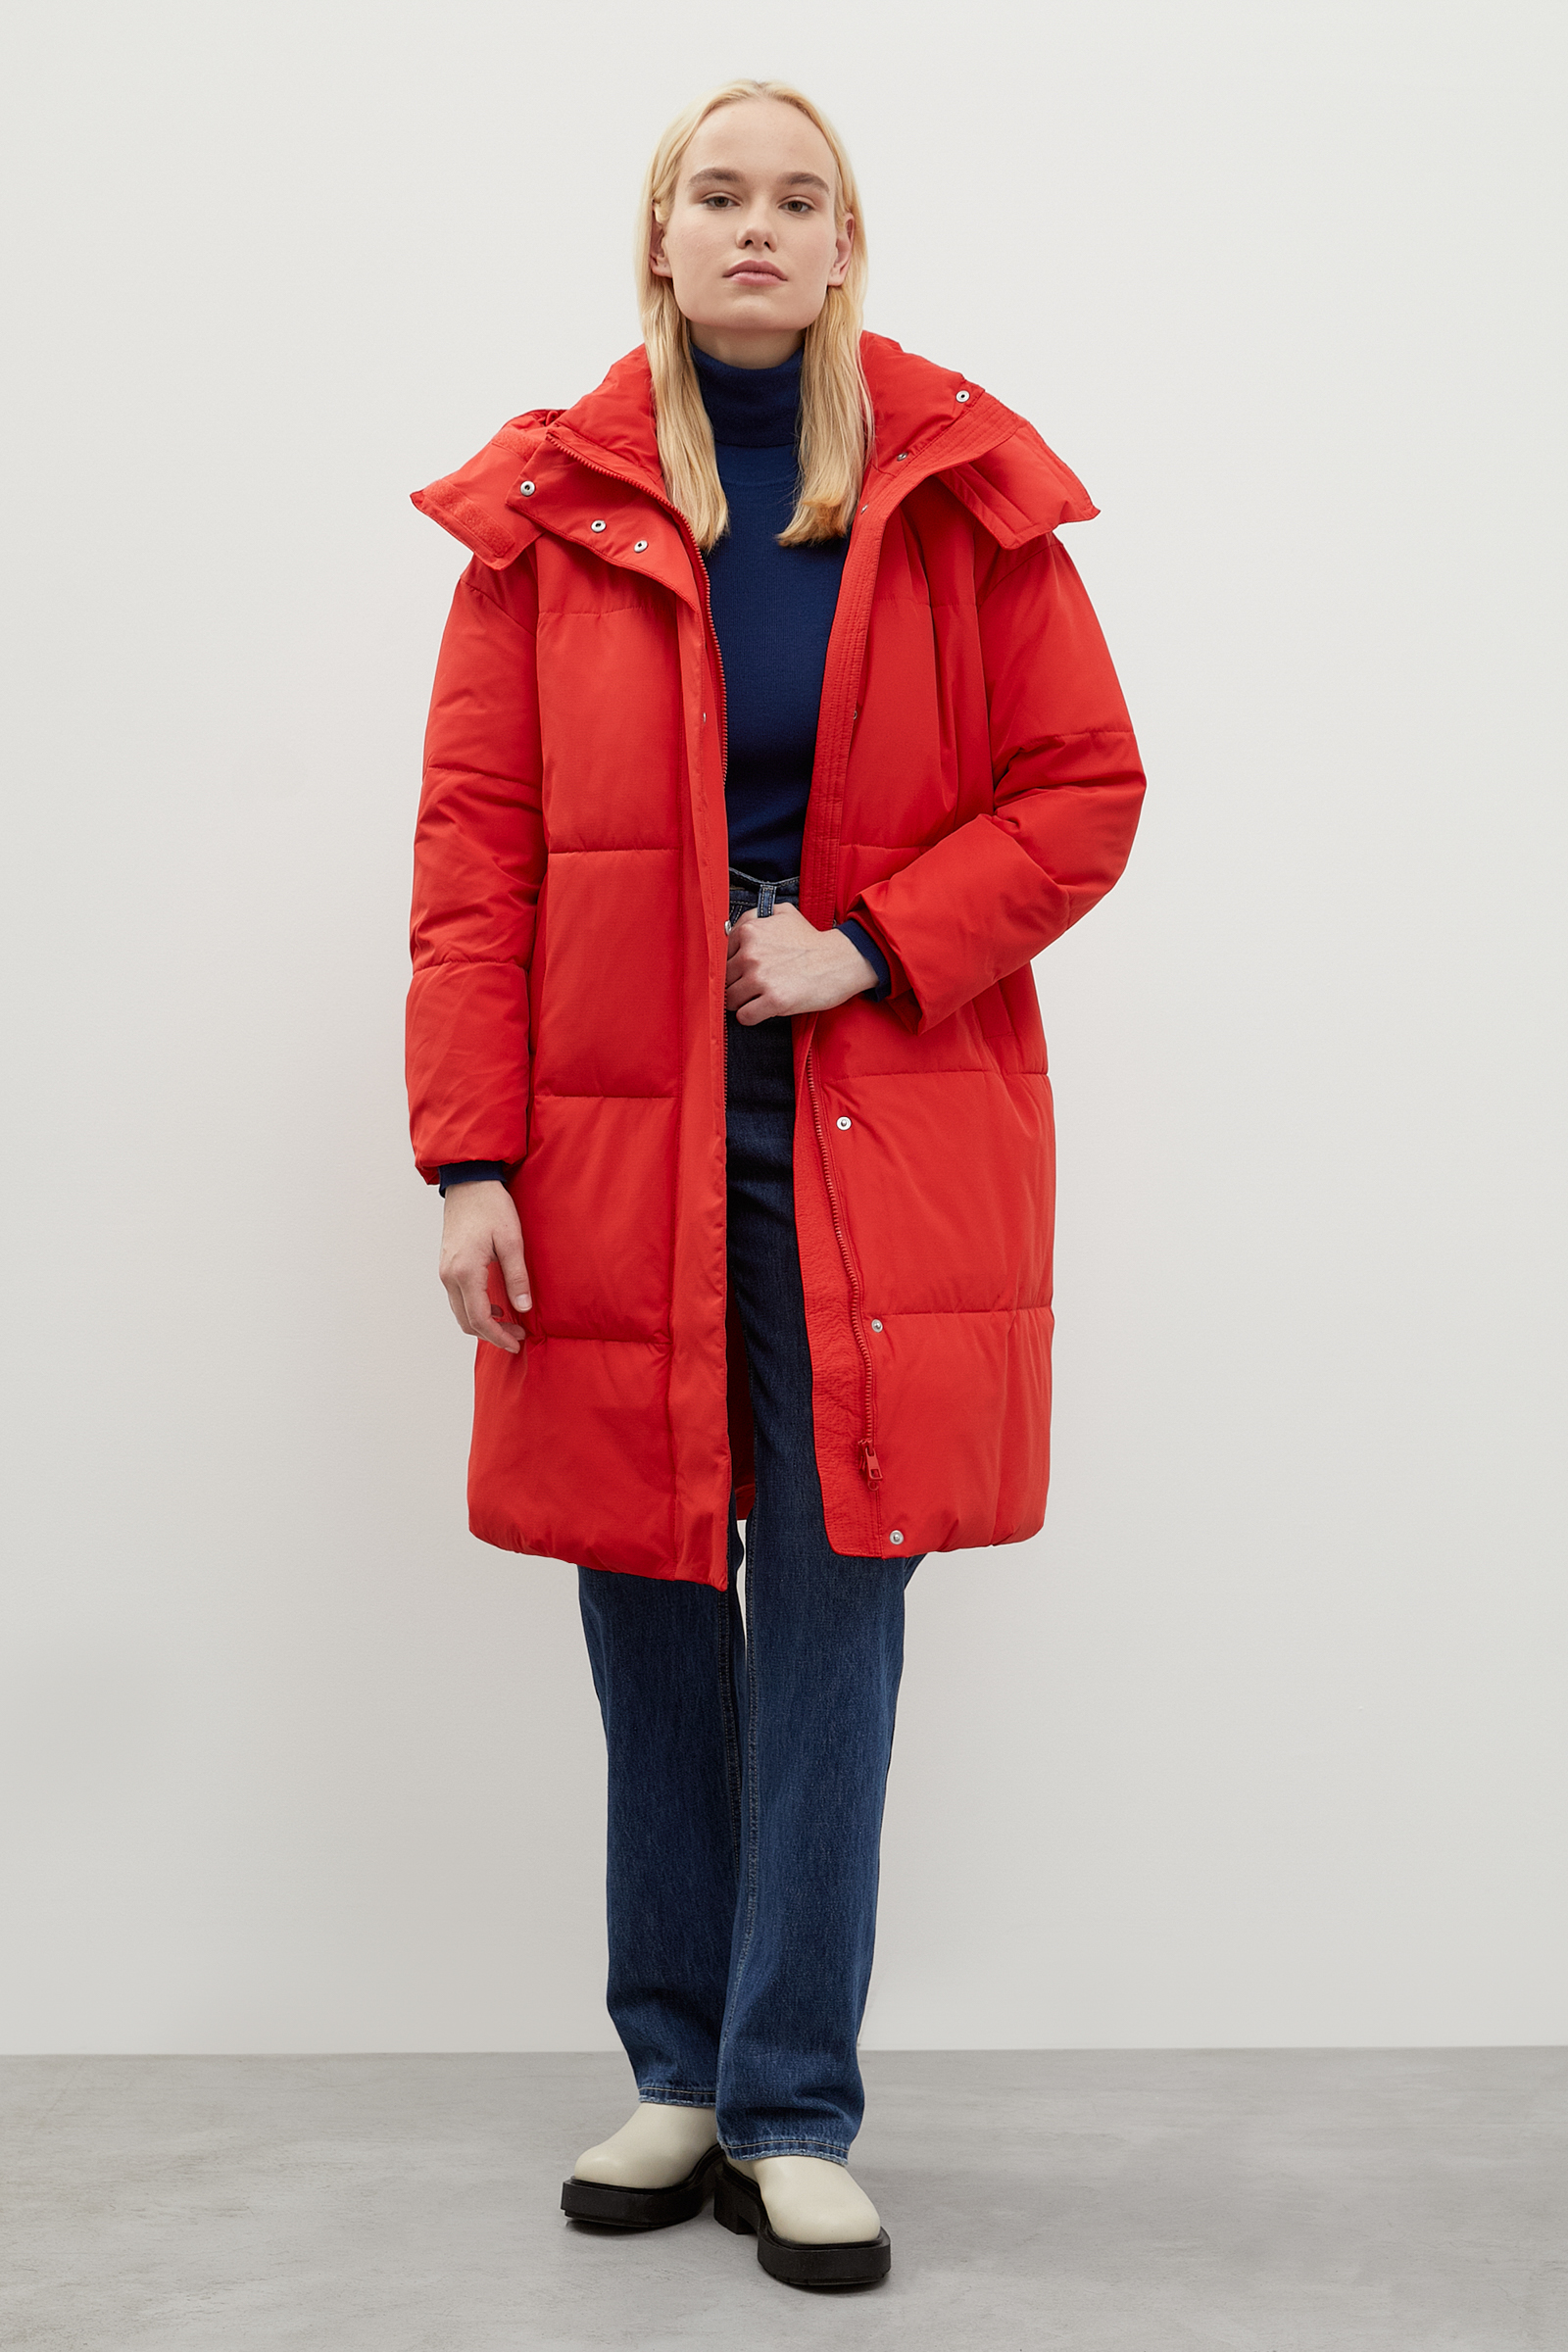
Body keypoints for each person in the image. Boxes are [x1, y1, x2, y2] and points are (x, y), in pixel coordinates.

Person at [406, 77, 1145, 2292]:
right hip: (607, 1138)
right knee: (644, 1594)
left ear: (842, 245)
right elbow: (474, 861)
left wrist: (868, 944)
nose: (755, 225)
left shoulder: (955, 500)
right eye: (715, 193)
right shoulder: (548, 517)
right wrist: (467, 1155)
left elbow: (1084, 788)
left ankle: (794, 2099)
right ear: (659, 238)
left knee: (834, 1599)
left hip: (869, 1126)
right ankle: (677, 2068)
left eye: (795, 197)